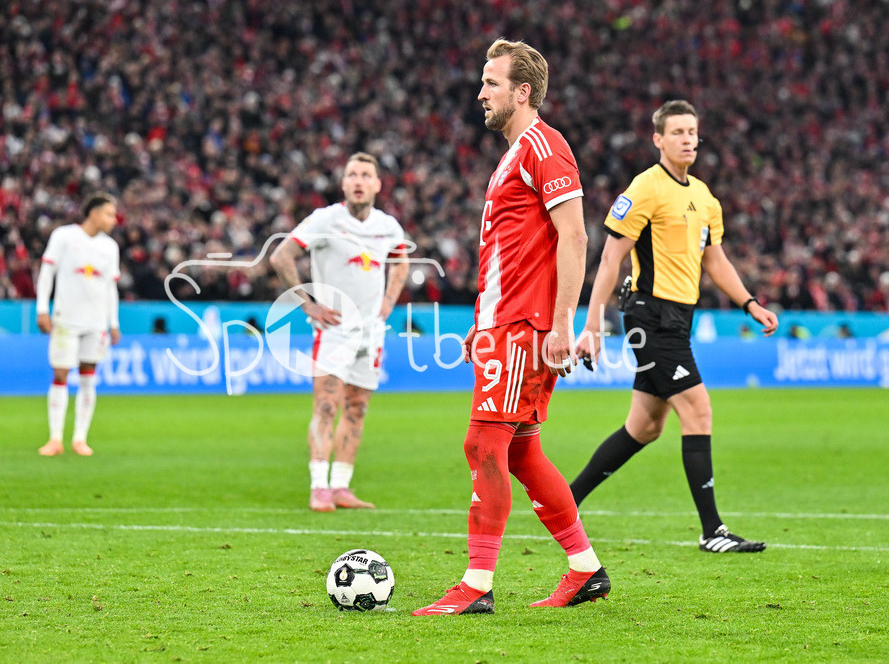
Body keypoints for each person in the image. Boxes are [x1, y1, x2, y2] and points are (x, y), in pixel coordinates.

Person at [413, 39, 609, 616]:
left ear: (522, 92)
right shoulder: (515, 153)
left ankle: (476, 584)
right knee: (521, 452)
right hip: (505, 322)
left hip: (527, 326)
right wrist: (481, 320)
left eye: (491, 83)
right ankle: (585, 569)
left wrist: (561, 323)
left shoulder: (545, 149)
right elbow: (509, 252)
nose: (480, 93)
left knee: (484, 443)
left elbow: (574, 237)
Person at [571, 100, 779, 552]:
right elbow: (611, 256)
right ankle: (712, 531)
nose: (688, 139)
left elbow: (714, 260)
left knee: (645, 427)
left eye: (692, 132)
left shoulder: (705, 198)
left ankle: (565, 502)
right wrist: (591, 323)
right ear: (658, 139)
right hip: (649, 315)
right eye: (678, 132)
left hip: (679, 319)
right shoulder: (646, 188)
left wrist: (749, 303)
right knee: (698, 409)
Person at [269, 153, 409, 512]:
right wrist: (307, 304)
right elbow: (281, 257)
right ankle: (319, 487)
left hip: (371, 333)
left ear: (377, 184)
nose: (358, 181)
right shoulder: (325, 220)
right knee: (327, 405)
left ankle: (341, 486)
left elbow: (401, 262)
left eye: (365, 175)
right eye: (352, 175)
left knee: (357, 409)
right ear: (343, 183)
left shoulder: (387, 225)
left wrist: (389, 302)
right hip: (333, 331)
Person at [35, 193, 122, 456]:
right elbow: (47, 272)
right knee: (61, 374)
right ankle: (54, 439)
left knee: (88, 377)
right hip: (66, 319)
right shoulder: (64, 236)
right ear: (93, 213)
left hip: (95, 323)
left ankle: (80, 439)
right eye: (109, 214)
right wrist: (42, 309)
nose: (114, 220)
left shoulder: (111, 247)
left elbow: (111, 288)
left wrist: (113, 322)